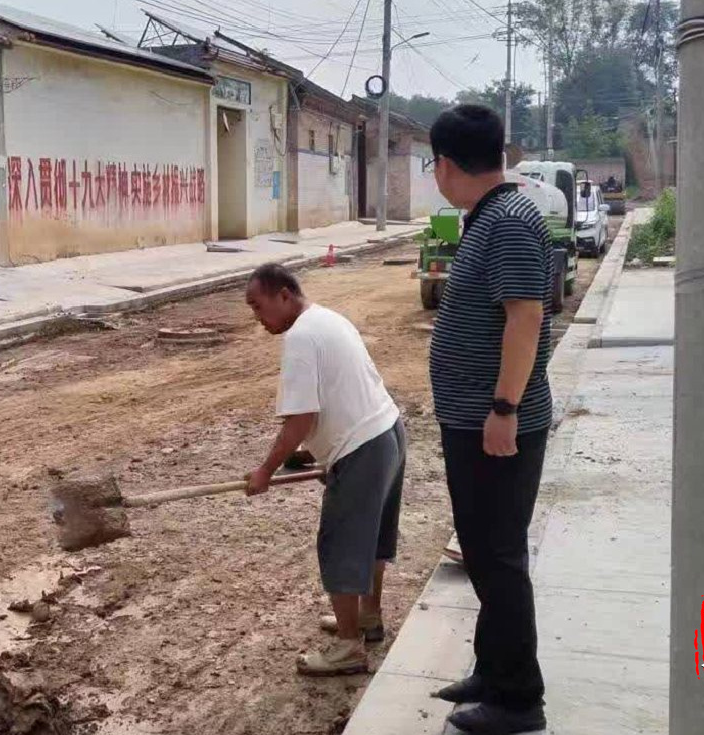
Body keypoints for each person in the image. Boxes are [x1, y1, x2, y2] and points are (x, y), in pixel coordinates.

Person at [427, 104, 552, 734]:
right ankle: (492, 667)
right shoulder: (491, 216)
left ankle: (518, 699)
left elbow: (525, 317)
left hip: (496, 424)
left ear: (445, 164)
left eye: (433, 166)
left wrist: (504, 408)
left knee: (498, 557)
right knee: (484, 551)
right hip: (475, 419)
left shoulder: (508, 221)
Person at [243, 264, 405, 676]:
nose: (257, 318)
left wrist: (265, 471)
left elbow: (301, 418)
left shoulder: (300, 337)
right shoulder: (328, 318)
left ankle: (349, 647)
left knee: (340, 545)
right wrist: (318, 455)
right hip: (387, 432)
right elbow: (341, 390)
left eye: (258, 306)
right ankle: (367, 617)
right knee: (371, 539)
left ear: (284, 295)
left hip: (362, 449)